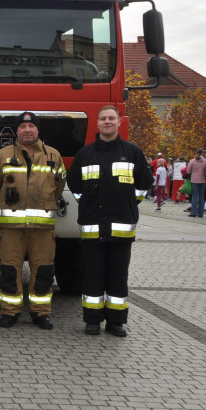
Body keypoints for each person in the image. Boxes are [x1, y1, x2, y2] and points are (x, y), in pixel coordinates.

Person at [67, 105, 152, 337]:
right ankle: (92, 321)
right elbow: (74, 185)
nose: (107, 122)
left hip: (121, 228)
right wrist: (87, 204)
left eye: (111, 118)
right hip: (93, 226)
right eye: (103, 118)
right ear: (97, 123)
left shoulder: (133, 152)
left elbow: (145, 182)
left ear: (119, 122)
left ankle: (116, 322)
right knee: (92, 276)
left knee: (118, 276)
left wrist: (128, 202)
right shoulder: (85, 154)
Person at [0, 111, 66, 330]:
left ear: (38, 130)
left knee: (44, 271)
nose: (27, 130)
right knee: (10, 270)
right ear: (17, 131)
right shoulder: (2, 155)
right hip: (11, 228)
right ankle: (10, 312)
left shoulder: (53, 156)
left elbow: (59, 186)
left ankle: (41, 313)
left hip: (43, 228)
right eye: (22, 127)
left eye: (31, 127)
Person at [184, 149, 206, 217]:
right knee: (202, 197)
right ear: (202, 153)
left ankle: (194, 212)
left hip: (194, 180)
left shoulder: (192, 161)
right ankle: (200, 213)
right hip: (203, 180)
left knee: (194, 197)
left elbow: (188, 171)